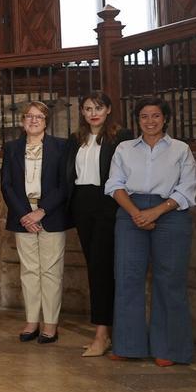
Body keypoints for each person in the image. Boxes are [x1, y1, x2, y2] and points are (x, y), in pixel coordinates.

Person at [105, 98, 196, 366]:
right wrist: (136, 212)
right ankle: (128, 345)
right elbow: (114, 184)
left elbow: (188, 187)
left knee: (169, 280)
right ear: (138, 120)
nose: (150, 121)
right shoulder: (124, 148)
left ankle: (168, 349)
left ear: (165, 119)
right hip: (129, 211)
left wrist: (155, 212)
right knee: (127, 277)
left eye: (155, 116)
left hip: (171, 213)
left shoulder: (180, 149)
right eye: (144, 116)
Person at [65, 92, 131, 357]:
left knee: (103, 268)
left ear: (109, 110)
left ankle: (103, 334)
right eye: (88, 108)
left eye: (99, 108)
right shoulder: (76, 139)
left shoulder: (120, 137)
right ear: (82, 112)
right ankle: (105, 333)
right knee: (94, 267)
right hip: (82, 204)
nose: (93, 113)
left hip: (108, 204)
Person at [1, 101, 69, 344]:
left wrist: (42, 211)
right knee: (29, 271)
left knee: (51, 272)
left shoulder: (61, 147)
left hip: (51, 214)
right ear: (22, 121)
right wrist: (24, 215)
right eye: (29, 116)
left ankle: (50, 324)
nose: (33, 120)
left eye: (39, 117)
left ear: (46, 121)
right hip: (23, 215)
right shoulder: (11, 148)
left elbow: (65, 184)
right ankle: (32, 321)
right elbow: (6, 185)